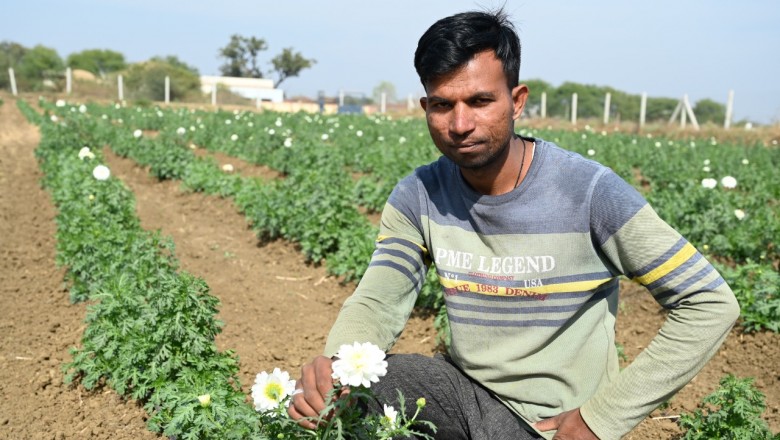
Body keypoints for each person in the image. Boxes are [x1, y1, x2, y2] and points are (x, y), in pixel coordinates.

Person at [289, 9, 740, 440]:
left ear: (516, 100)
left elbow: (709, 302)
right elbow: (379, 298)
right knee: (344, 398)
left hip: (551, 425)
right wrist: (337, 364)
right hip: (462, 393)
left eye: (480, 101)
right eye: (443, 105)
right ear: (425, 106)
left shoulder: (589, 193)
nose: (460, 123)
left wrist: (601, 419)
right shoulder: (420, 195)